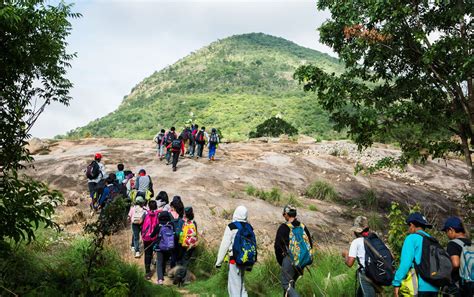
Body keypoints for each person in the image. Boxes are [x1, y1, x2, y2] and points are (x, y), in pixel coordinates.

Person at [392, 212, 440, 297]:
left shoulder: (411, 238)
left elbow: (405, 264)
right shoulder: (432, 240)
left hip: (419, 287)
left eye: (408, 226)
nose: (408, 229)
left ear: (412, 225)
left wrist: (396, 283)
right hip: (435, 287)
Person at [342, 216, 391, 297]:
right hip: (377, 272)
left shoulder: (356, 242)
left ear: (356, 231)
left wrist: (346, 255)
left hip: (366, 274)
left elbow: (350, 263)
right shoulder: (376, 239)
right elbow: (391, 255)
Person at [274, 205, 313, 297]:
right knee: (291, 285)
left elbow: (277, 247)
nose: (284, 216)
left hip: (289, 259)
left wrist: (282, 261)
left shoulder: (283, 227)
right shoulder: (303, 227)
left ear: (287, 214)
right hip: (301, 261)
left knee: (286, 284)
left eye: (284, 214)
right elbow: (309, 245)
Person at [215, 205, 251, 297]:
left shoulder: (231, 226)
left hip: (234, 260)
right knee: (242, 286)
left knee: (234, 287)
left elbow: (224, 245)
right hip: (246, 260)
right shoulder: (249, 227)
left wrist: (218, 262)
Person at [442, 216, 473, 297]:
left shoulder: (453, 244)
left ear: (451, 230)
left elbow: (455, 263)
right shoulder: (471, 243)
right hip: (470, 283)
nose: (446, 234)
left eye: (446, 231)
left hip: (458, 285)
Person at [174, 206, 198, 286]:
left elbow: (180, 233)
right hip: (190, 245)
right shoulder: (193, 223)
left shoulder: (183, 222)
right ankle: (181, 277)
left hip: (182, 243)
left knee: (180, 260)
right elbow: (195, 234)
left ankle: (177, 275)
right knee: (185, 261)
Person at [150, 210, 175, 285]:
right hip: (169, 246)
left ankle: (160, 279)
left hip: (160, 247)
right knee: (165, 260)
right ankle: (165, 274)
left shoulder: (159, 225)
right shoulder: (171, 224)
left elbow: (152, 235)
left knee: (159, 262)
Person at [142, 200, 160, 280]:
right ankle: (158, 272)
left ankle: (147, 272)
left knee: (147, 254)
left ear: (149, 206)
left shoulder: (145, 213)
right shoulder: (158, 214)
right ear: (156, 206)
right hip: (155, 237)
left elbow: (140, 222)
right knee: (156, 252)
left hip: (146, 237)